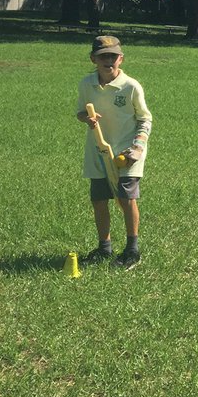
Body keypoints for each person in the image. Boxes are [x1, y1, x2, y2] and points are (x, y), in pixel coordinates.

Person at [76, 35, 153, 270]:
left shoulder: (131, 86)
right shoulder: (86, 84)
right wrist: (86, 119)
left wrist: (138, 147)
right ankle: (104, 247)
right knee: (99, 200)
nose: (108, 60)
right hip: (98, 151)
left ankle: (132, 250)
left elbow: (145, 118)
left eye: (113, 56)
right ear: (93, 59)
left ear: (121, 58)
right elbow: (80, 112)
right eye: (103, 56)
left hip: (127, 152)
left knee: (126, 199)